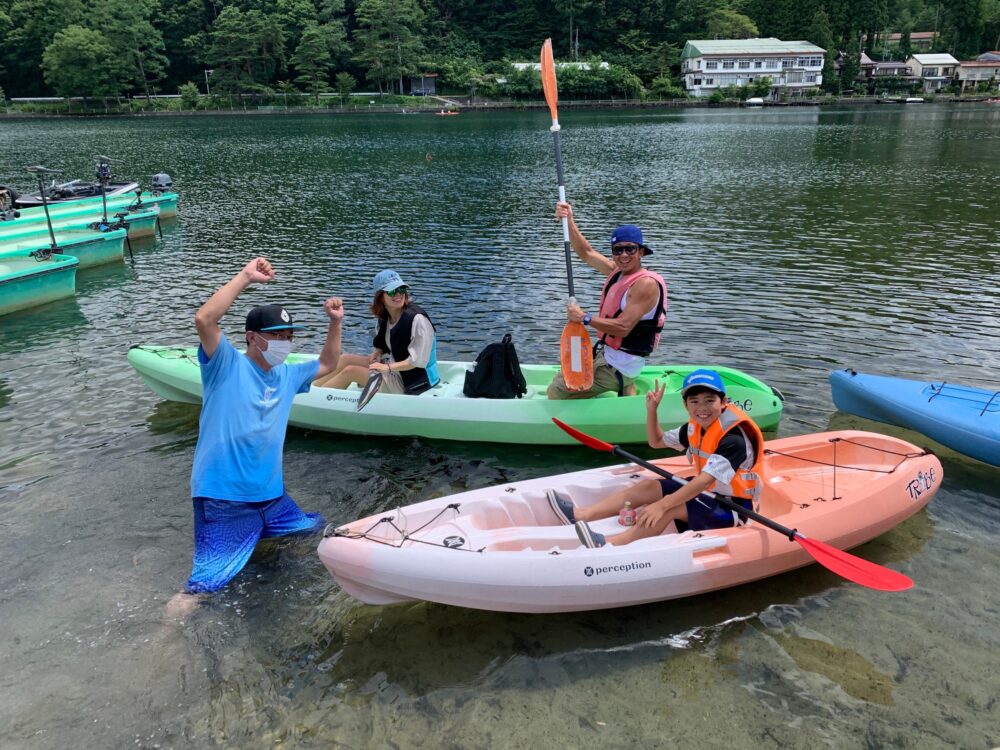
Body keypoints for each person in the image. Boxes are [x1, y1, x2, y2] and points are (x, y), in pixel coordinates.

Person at [169, 257, 344, 613]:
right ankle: (164, 638)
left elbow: (328, 363)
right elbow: (204, 319)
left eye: (289, 336)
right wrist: (246, 277)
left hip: (271, 497)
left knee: (317, 532)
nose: (285, 342)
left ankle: (263, 543)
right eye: (276, 335)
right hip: (224, 498)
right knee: (203, 589)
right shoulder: (225, 365)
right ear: (252, 337)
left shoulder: (288, 376)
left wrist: (335, 323)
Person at [546, 369, 765, 548]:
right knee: (650, 487)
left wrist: (661, 505)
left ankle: (611, 544)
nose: (702, 408)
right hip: (710, 493)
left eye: (710, 400)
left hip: (734, 507)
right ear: (685, 405)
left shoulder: (733, 439)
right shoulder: (695, 427)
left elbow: (704, 480)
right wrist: (652, 410)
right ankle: (581, 514)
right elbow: (656, 442)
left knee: (669, 507)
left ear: (724, 401)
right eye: (694, 401)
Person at [547, 201, 667, 400]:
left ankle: (622, 387)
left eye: (630, 249)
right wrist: (569, 220)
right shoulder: (617, 272)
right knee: (562, 376)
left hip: (621, 365)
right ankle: (627, 393)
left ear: (641, 252)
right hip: (612, 355)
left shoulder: (645, 284)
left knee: (556, 390)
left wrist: (584, 318)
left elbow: (623, 327)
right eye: (617, 250)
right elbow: (586, 253)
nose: (623, 255)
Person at [313, 269, 439, 395]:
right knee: (345, 359)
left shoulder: (418, 320)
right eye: (392, 291)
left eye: (401, 289)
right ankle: (311, 388)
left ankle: (315, 398)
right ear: (380, 297)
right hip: (394, 366)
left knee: (350, 371)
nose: (398, 294)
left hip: (412, 381)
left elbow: (417, 361)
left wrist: (386, 367)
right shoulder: (387, 315)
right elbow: (384, 343)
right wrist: (378, 352)